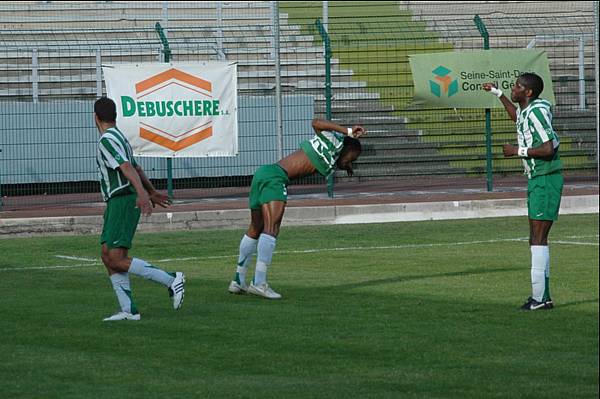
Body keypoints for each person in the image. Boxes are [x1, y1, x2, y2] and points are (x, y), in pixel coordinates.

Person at [228, 119, 366, 299]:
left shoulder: (334, 153)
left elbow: (334, 160)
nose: (351, 162)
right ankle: (259, 283)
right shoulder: (334, 141)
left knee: (256, 228)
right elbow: (316, 122)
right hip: (275, 178)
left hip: (265, 173)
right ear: (349, 148)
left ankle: (238, 280)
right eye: (353, 158)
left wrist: (346, 163)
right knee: (272, 229)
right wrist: (347, 130)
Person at [94, 97, 185, 321]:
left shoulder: (107, 140)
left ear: (95, 117)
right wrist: (151, 191)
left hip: (123, 199)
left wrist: (142, 194)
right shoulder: (119, 137)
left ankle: (171, 279)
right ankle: (128, 310)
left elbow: (126, 167)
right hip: (118, 200)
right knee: (107, 255)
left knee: (115, 257)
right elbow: (136, 167)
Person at [483, 73, 563, 311]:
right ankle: (542, 297)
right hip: (538, 178)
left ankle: (539, 299)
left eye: (517, 86)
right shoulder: (528, 111)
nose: (513, 88)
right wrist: (498, 94)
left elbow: (549, 147)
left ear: (528, 92)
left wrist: (517, 151)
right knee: (535, 239)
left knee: (538, 239)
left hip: (546, 177)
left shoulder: (537, 112)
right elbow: (517, 117)